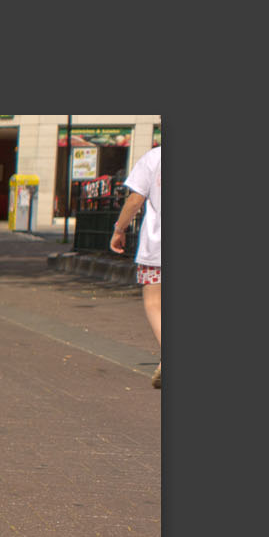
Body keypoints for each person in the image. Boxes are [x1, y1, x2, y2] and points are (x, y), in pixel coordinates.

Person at [110, 144, 162, 388]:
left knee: (154, 302)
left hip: (157, 246)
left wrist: (119, 229)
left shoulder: (153, 158)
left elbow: (135, 200)